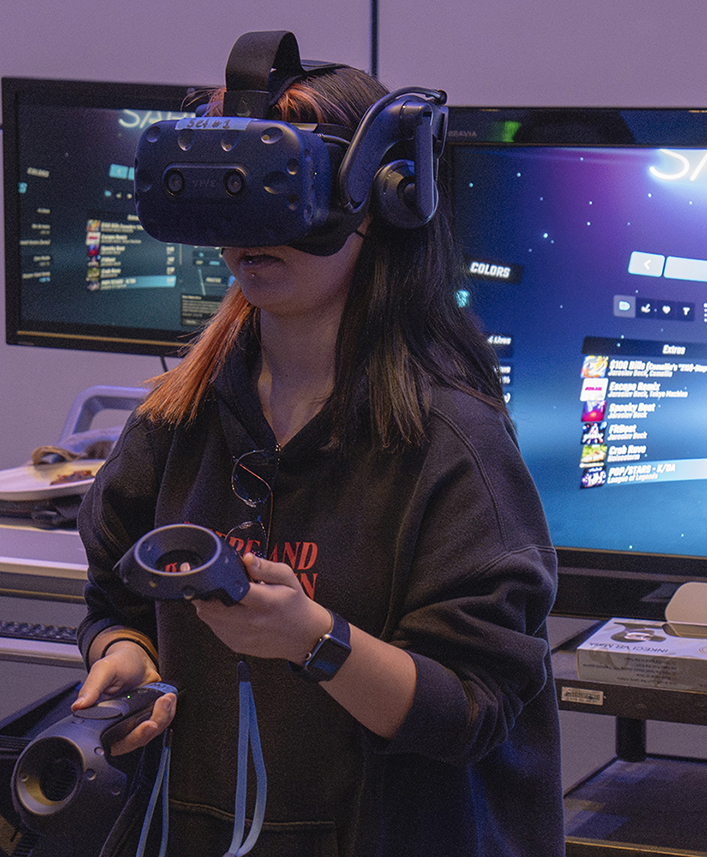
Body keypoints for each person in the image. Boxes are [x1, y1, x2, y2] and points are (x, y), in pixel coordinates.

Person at [72, 56, 565, 857]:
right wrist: (127, 653)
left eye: (284, 187)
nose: (255, 230)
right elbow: (115, 597)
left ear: (386, 197)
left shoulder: (452, 444)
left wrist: (312, 637)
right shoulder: (176, 418)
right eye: (235, 190)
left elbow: (471, 710)